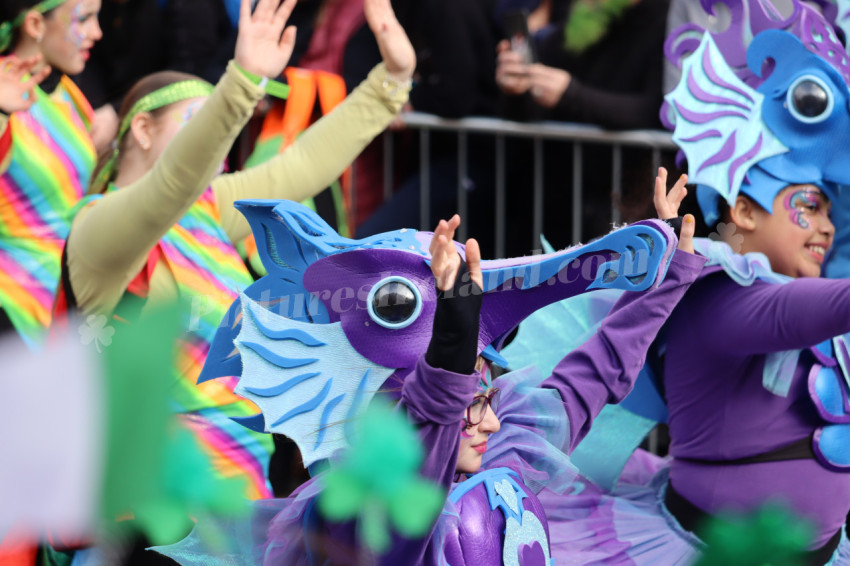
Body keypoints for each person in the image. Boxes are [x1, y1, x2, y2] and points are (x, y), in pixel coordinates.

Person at [153, 167, 705, 563]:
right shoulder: (348, 511)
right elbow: (412, 478)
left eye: (486, 400)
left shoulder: (504, 457)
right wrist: (452, 346)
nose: (490, 422)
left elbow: (593, 372)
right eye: (471, 406)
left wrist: (671, 273)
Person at [59, 0, 416, 499]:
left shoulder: (204, 209)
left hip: (239, 488)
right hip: (147, 504)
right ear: (141, 129)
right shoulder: (99, 231)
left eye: (221, 130)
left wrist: (390, 82)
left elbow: (302, 165)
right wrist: (241, 82)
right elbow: (171, 181)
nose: (218, 145)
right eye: (199, 122)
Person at [0, 0, 102, 347]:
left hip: (63, 300)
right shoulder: (4, 91)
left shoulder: (67, 92)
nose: (97, 32)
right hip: (13, 306)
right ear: (34, 24)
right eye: (85, 18)